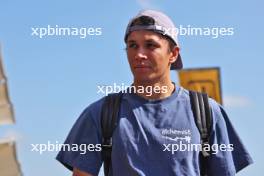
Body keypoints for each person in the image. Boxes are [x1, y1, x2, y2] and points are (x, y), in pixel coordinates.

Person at [56, 10, 253, 176]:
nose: (139, 54)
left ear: (173, 54)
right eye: (132, 45)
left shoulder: (207, 112)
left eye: (151, 45)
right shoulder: (100, 113)